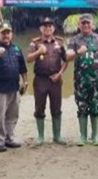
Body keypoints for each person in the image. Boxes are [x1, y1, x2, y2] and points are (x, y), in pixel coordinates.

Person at [66, 13, 98, 146]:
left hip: (96, 81)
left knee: (95, 107)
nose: (85, 25)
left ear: (93, 25)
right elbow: (67, 58)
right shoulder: (74, 40)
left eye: (88, 23)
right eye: (83, 23)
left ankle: (95, 136)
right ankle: (83, 136)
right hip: (80, 81)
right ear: (79, 25)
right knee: (82, 107)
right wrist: (78, 52)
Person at [0, 22, 28, 152]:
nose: (6, 35)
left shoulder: (16, 49)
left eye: (8, 33)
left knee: (13, 115)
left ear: (12, 34)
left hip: (14, 88)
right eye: (3, 33)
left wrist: (25, 82)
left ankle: (9, 138)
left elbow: (23, 68)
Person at [27, 17, 68, 145]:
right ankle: (40, 137)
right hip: (40, 80)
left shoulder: (60, 42)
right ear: (41, 29)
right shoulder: (35, 43)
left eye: (50, 26)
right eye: (45, 26)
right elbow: (28, 59)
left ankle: (57, 136)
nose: (47, 28)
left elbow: (66, 60)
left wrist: (60, 74)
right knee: (39, 108)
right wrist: (39, 51)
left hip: (55, 80)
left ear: (53, 28)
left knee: (56, 108)